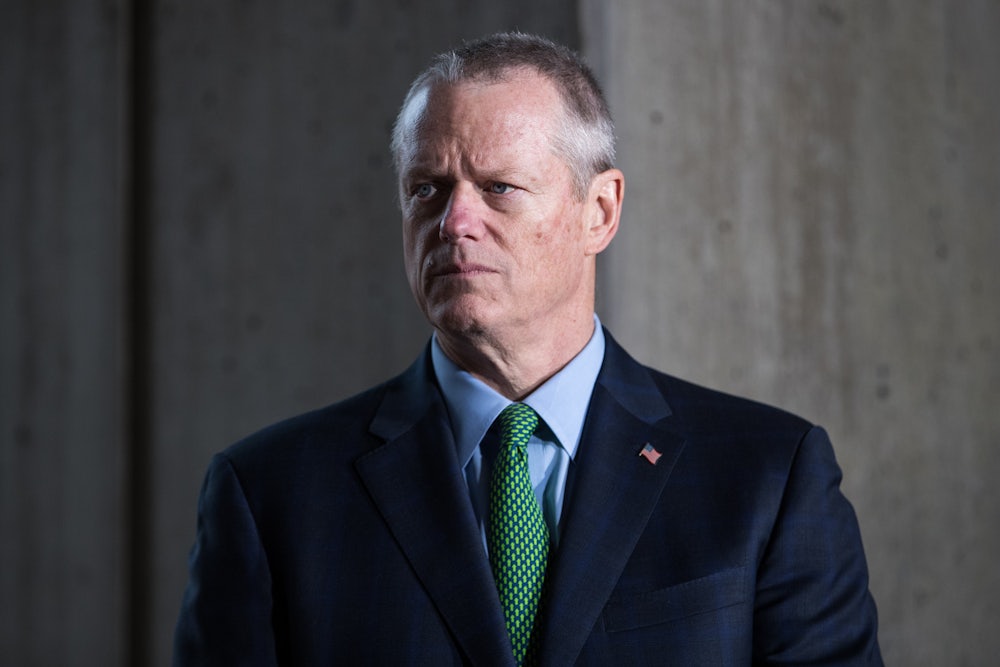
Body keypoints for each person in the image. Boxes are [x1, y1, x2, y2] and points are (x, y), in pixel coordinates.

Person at [173, 32, 882, 666]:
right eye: (427, 188)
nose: (454, 220)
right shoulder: (270, 494)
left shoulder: (769, 476)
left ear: (599, 211)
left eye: (499, 187)